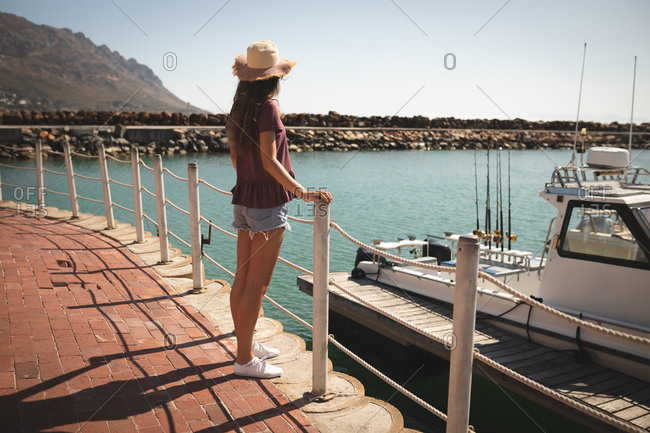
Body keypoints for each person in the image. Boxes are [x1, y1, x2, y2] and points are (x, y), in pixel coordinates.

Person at [226, 41, 333, 379]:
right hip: (267, 204)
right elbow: (269, 159)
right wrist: (301, 191)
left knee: (242, 279)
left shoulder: (238, 107)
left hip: (244, 197)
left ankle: (246, 343)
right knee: (257, 284)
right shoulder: (268, 108)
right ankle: (244, 361)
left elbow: (235, 156)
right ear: (273, 79)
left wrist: (249, 180)